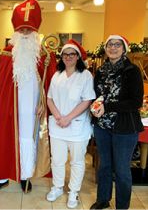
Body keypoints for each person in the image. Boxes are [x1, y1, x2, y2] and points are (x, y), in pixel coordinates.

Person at [0, 0, 57, 194]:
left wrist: (44, 103)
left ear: (35, 32)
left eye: (29, 30)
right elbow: (1, 86)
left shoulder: (45, 56)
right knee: (5, 138)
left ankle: (25, 175)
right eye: (21, 30)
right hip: (11, 108)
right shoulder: (6, 55)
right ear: (15, 32)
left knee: (29, 138)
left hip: (34, 108)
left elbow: (50, 86)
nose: (25, 33)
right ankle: (1, 177)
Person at [90, 35, 144, 210]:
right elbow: (96, 95)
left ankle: (122, 206)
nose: (113, 48)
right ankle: (103, 199)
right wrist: (95, 105)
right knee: (104, 166)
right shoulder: (100, 71)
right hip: (102, 126)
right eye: (110, 45)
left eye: (117, 45)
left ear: (124, 49)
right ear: (105, 48)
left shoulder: (132, 71)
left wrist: (107, 106)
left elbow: (135, 102)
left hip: (124, 128)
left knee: (121, 170)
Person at [46, 39, 96, 208]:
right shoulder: (57, 75)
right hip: (58, 125)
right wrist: (59, 116)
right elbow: (49, 98)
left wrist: (68, 118)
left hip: (77, 126)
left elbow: (88, 99)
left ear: (78, 57)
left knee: (77, 161)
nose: (68, 57)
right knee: (58, 160)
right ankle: (57, 187)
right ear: (62, 57)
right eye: (65, 54)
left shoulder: (85, 75)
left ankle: (73, 192)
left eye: (72, 54)